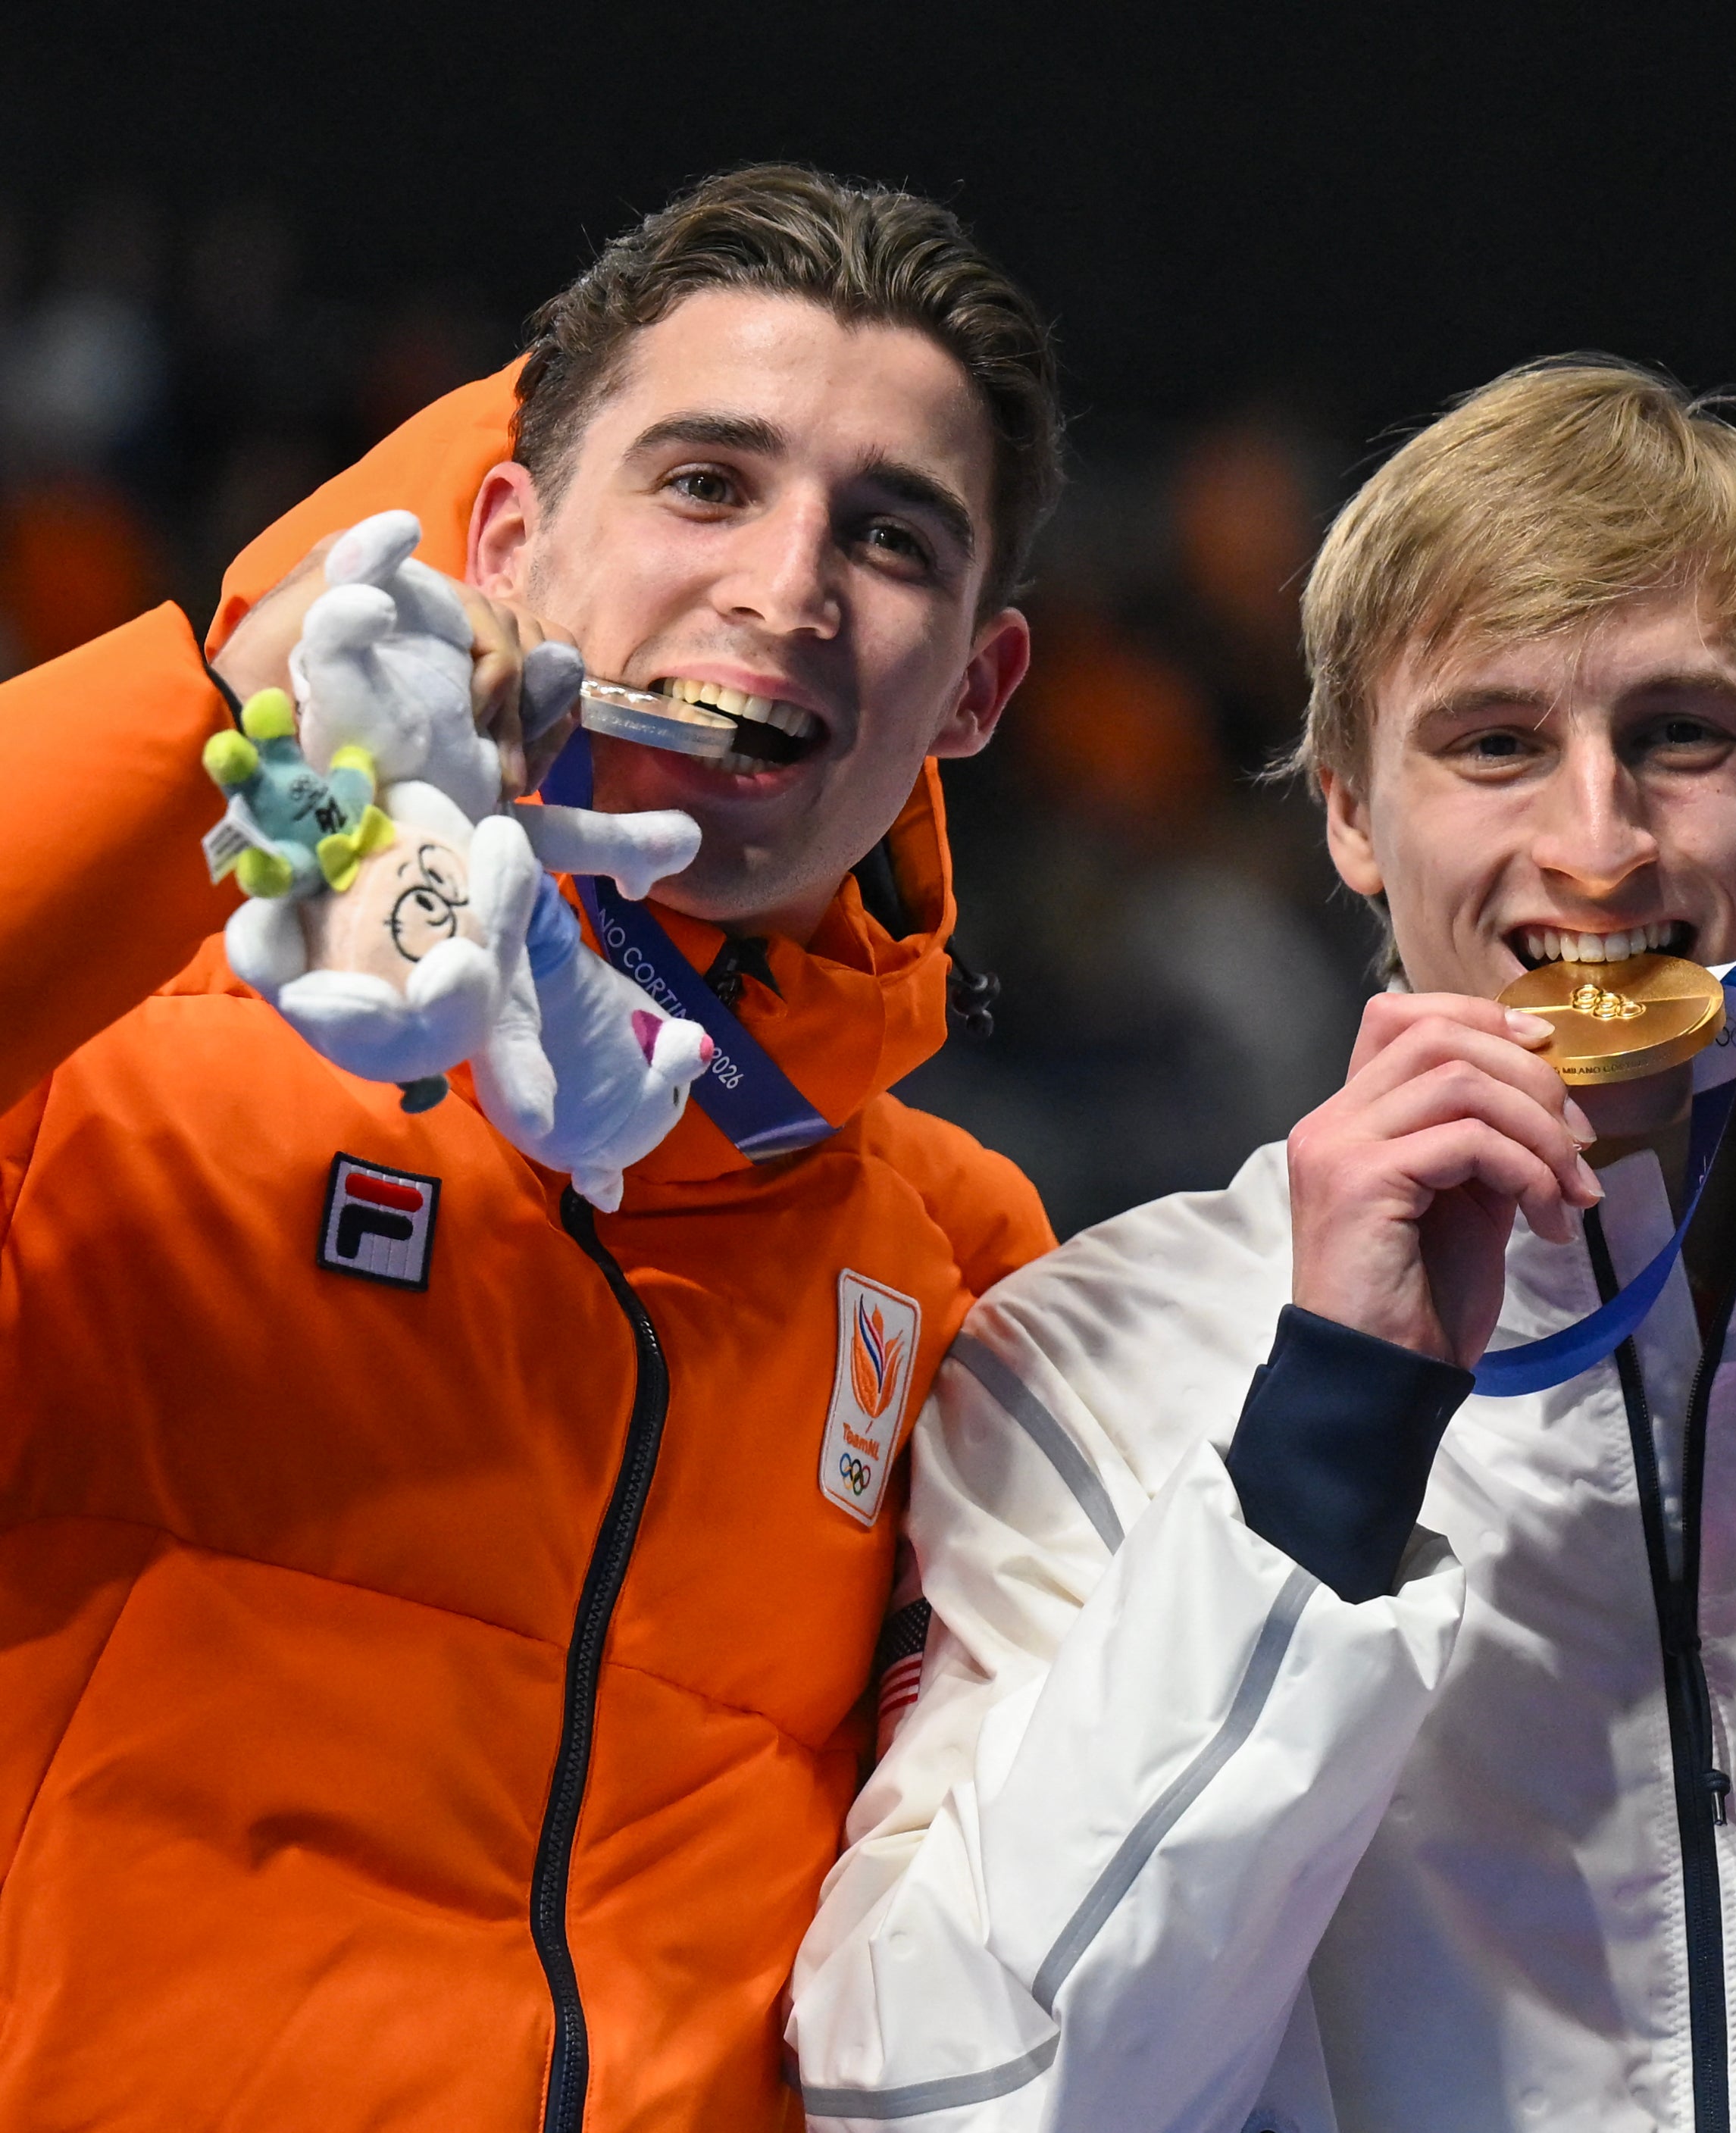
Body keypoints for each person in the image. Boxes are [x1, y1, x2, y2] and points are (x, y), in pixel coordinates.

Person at [784, 359, 1736, 2133]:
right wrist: (1322, 1437)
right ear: (1348, 813)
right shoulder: (1090, 1371)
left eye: (1680, 737)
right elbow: (948, 2098)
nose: (1593, 842)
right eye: (1493, 743)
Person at [0, 165, 1063, 2127]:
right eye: (703, 482)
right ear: (507, 534)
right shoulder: (121, 1052)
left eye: (893, 535)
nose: (785, 588)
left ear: (976, 689)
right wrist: (223, 720)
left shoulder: (963, 1260)